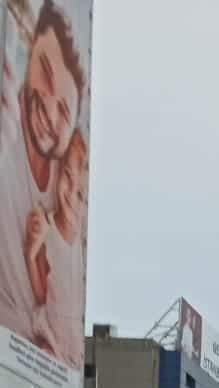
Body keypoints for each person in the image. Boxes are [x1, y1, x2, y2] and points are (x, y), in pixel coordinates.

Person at [0, 3, 86, 352]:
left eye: (65, 110)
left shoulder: (66, 192)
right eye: (46, 73)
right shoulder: (7, 126)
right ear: (29, 52)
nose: (49, 111)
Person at [24, 126, 84, 362]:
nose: (70, 194)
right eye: (67, 176)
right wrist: (31, 255)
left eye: (80, 194)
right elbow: (41, 294)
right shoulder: (46, 228)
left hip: (71, 349)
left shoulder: (79, 243)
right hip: (52, 342)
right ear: (58, 172)